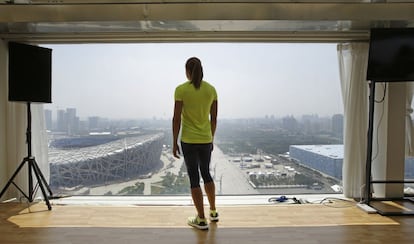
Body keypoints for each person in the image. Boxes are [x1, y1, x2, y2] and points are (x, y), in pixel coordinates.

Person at [172, 57, 218, 230]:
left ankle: (201, 219)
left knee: (194, 178)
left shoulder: (181, 90)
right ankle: (213, 212)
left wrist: (174, 141)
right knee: (206, 173)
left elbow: (176, 119)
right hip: (206, 139)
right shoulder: (211, 90)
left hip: (189, 141)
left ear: (187, 71)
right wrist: (211, 138)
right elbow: (214, 119)